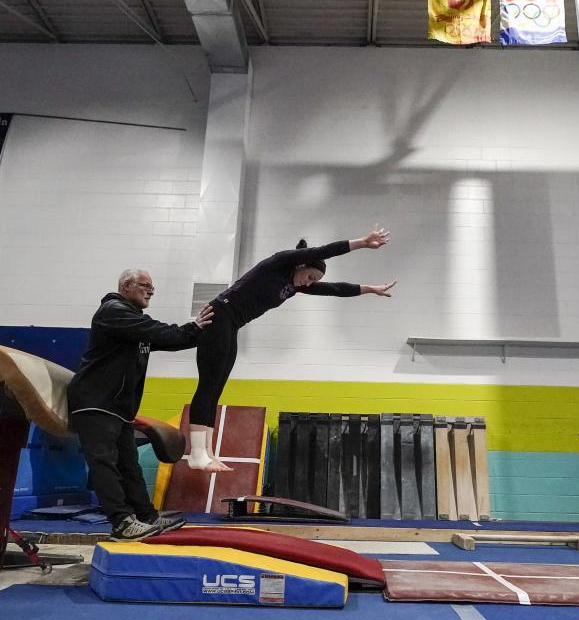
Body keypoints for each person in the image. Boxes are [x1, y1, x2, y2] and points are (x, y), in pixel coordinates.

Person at [185, 225, 397, 472]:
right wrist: (362, 242)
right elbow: (325, 250)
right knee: (209, 384)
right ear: (301, 264)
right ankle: (196, 454)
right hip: (219, 315)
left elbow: (335, 289)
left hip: (231, 324)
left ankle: (207, 452)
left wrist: (369, 289)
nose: (310, 284)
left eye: (314, 281)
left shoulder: (295, 285)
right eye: (311, 277)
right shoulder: (281, 261)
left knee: (217, 386)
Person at [68, 269, 214, 541]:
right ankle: (122, 523)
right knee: (105, 464)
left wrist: (199, 332)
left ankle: (145, 516)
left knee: (129, 465)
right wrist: (193, 327)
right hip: (95, 403)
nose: (151, 290)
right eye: (144, 285)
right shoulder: (113, 311)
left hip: (118, 408)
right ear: (126, 286)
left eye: (152, 286)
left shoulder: (133, 321)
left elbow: (168, 339)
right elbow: (159, 332)